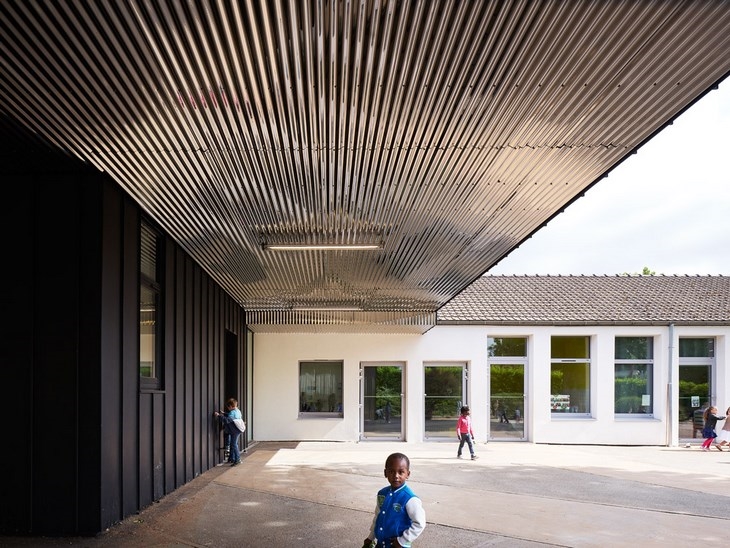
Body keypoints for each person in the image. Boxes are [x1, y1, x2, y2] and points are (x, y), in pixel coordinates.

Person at [363, 452, 425, 548]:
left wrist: (402, 540)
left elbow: (419, 523)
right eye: (391, 471)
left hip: (398, 545)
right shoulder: (382, 494)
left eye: (401, 472)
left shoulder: (410, 499)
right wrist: (371, 537)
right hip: (381, 544)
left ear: (407, 474)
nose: (396, 476)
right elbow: (378, 517)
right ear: (385, 473)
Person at [214, 397, 246, 465]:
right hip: (237, 430)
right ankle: (232, 458)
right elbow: (231, 416)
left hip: (234, 430)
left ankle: (237, 459)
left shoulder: (232, 412)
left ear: (231, 406)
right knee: (234, 444)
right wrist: (224, 413)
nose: (228, 409)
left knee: (233, 444)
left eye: (228, 407)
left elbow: (227, 420)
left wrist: (219, 415)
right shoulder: (238, 411)